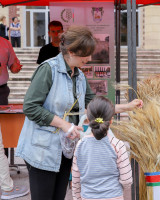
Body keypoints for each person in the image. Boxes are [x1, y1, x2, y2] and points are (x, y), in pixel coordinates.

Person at [16, 25, 142, 200]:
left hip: (65, 149)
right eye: (86, 54)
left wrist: (126, 107)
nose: (89, 58)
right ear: (71, 51)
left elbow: (95, 105)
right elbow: (30, 107)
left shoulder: (80, 76)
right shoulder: (48, 70)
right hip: (42, 151)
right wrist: (64, 124)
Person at [72, 96, 132, 200]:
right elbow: (127, 180)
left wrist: (78, 197)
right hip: (114, 196)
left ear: (88, 120)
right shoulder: (117, 145)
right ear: (111, 120)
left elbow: (76, 179)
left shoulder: (81, 144)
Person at [0, 37, 28, 200]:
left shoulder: (5, 43)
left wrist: (16, 67)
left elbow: (14, 66)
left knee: (1, 139)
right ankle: (6, 186)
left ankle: (4, 179)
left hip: (1, 92)